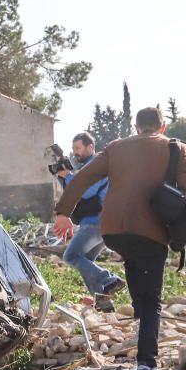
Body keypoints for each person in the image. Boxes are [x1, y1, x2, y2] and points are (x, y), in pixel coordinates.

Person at [53, 107, 186, 370]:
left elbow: (81, 177)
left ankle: (142, 347)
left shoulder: (116, 147)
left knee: (139, 290)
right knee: (152, 299)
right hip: (151, 231)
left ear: (136, 125)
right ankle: (147, 364)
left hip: (115, 231)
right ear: (162, 127)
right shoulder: (176, 148)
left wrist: (63, 213)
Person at [56, 132, 124, 311]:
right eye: (73, 149)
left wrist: (69, 175)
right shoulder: (87, 166)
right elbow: (73, 193)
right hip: (97, 222)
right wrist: (62, 176)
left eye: (78, 148)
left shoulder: (97, 165)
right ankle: (102, 302)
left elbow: (85, 192)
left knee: (70, 256)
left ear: (90, 147)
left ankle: (108, 279)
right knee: (85, 261)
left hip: (96, 221)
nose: (75, 152)